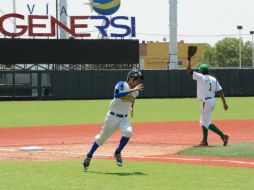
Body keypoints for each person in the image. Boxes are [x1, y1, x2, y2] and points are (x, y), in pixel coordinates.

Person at [83, 70, 144, 170]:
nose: (138, 81)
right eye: (136, 79)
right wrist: (131, 90)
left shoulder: (136, 91)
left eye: (139, 79)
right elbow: (117, 94)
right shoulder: (121, 84)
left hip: (124, 118)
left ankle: (118, 152)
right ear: (130, 78)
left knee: (128, 132)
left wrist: (132, 107)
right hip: (112, 117)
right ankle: (89, 155)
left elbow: (132, 100)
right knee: (101, 139)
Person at [187, 58, 229, 146]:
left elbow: (189, 70)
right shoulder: (213, 79)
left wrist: (189, 60)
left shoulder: (200, 77)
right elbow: (220, 91)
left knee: (208, 123)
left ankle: (223, 135)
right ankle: (204, 141)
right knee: (202, 121)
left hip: (205, 102)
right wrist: (224, 103)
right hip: (212, 101)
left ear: (200, 71)